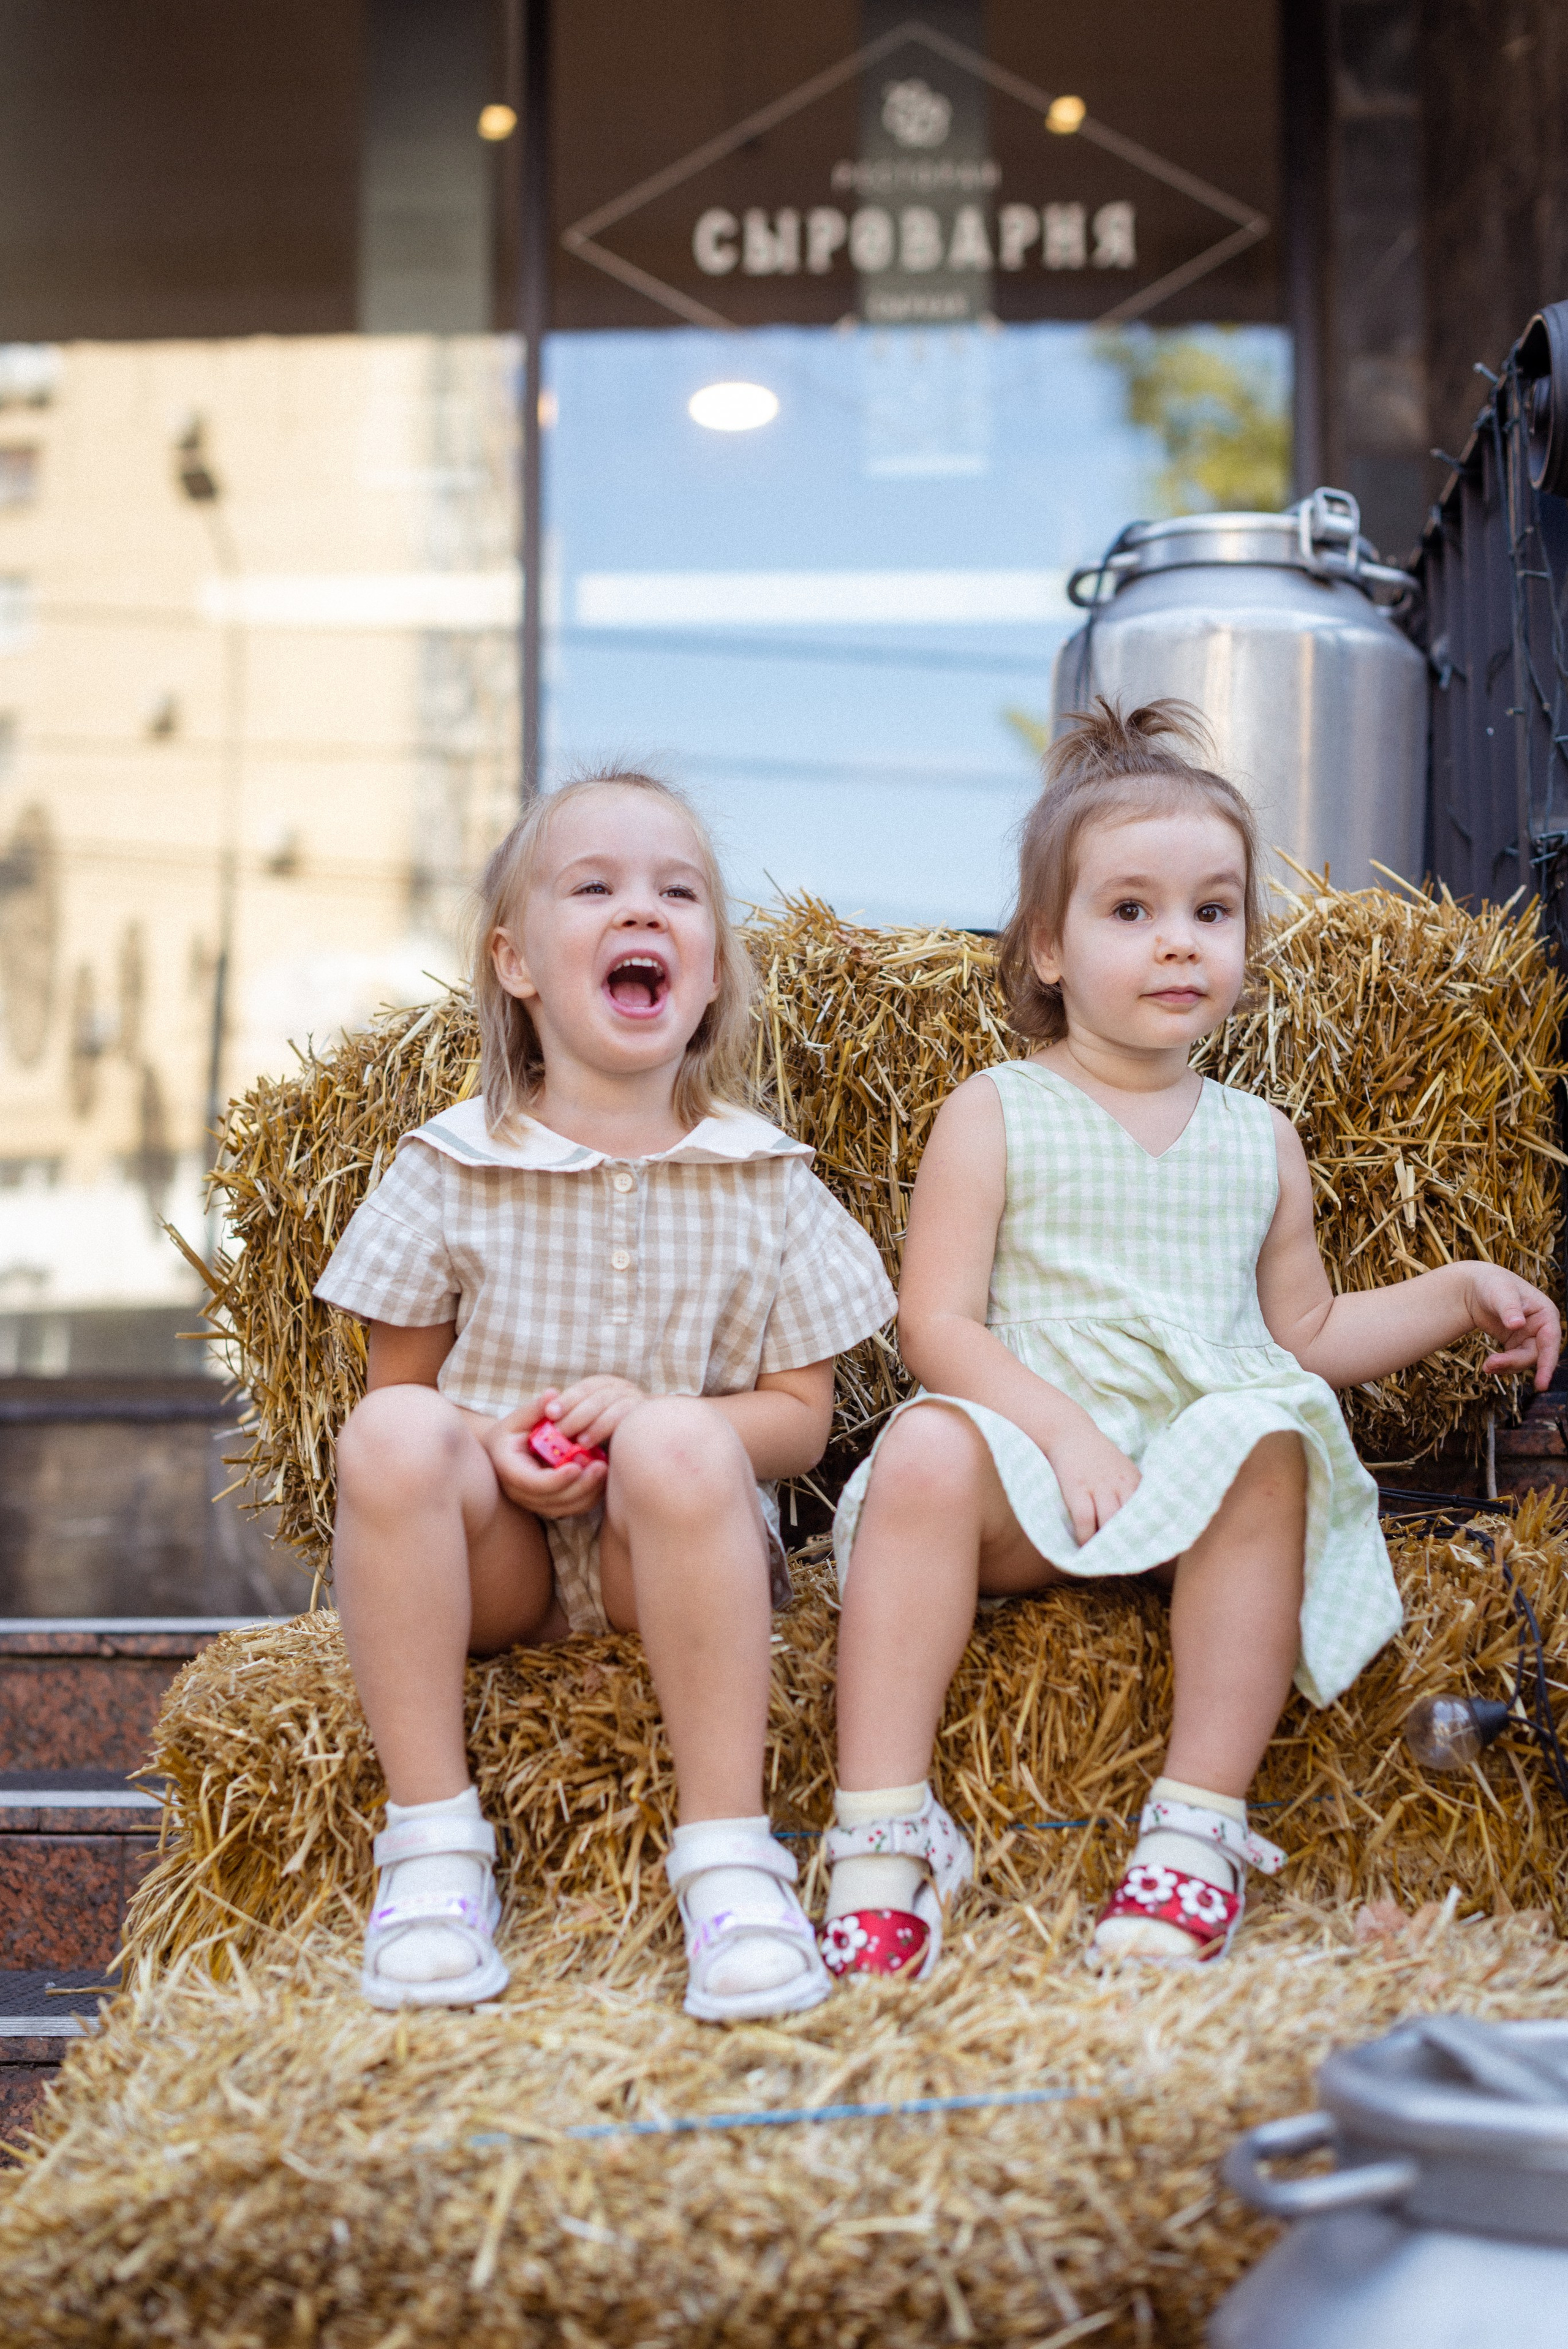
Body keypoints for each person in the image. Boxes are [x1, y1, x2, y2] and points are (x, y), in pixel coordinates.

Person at [819, 698, 1560, 1977]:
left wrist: (1453, 1291)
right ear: (1045, 947)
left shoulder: (1255, 1138)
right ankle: (882, 1835)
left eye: (1210, 912)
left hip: (1192, 1475)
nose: (1178, 943)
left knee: (1271, 1433)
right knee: (930, 1452)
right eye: (1130, 912)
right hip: (1031, 1469)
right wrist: (1056, 1431)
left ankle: (1193, 1833)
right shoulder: (993, 1111)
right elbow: (932, 1323)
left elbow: (1305, 1331)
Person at [315, 771, 894, 2020]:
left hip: (670, 1556)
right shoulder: (448, 1167)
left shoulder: (768, 1180)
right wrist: (498, 1445)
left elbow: (796, 1424)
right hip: (501, 1564)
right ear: (516, 962)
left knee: (688, 1438)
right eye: (596, 887)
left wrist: (652, 1419)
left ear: (713, 968)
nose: (643, 910)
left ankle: (731, 1864)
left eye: (676, 892)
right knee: (398, 1432)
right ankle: (430, 1850)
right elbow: (394, 1414)